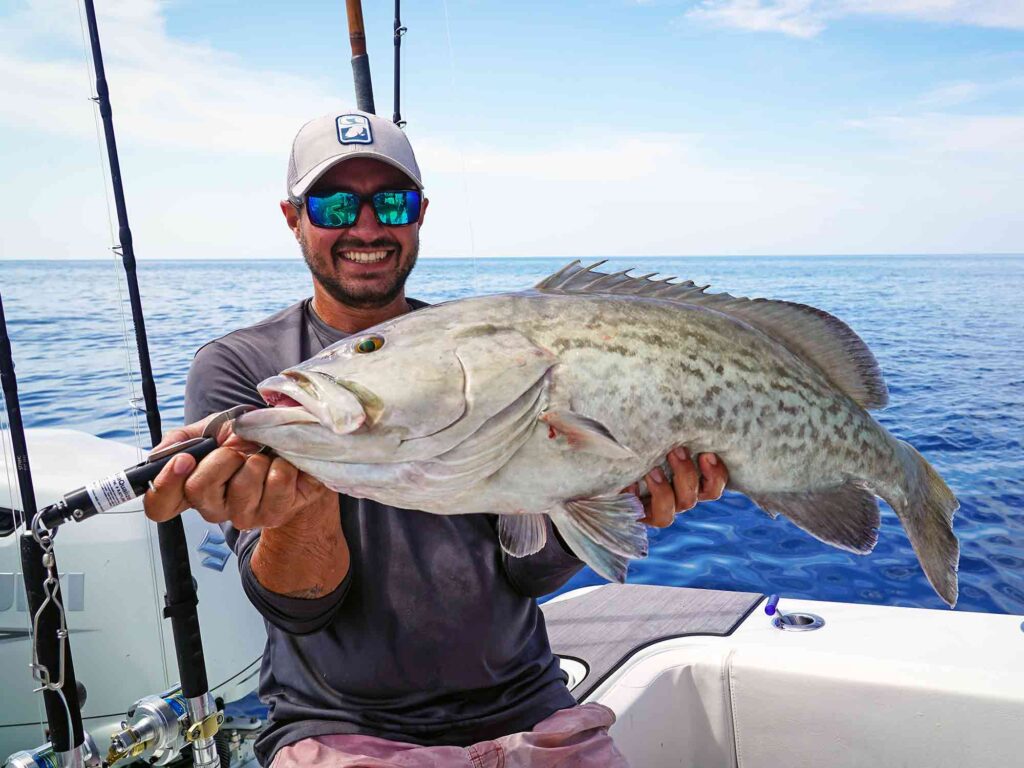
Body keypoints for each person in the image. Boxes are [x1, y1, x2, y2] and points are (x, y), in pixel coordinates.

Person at [143, 109, 729, 768]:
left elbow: (527, 571)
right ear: (292, 216)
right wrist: (298, 506)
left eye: (390, 202)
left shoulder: (480, 352)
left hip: (534, 705)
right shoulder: (245, 372)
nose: (365, 226)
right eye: (334, 204)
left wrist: (608, 490)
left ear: (419, 214)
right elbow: (302, 609)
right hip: (339, 726)